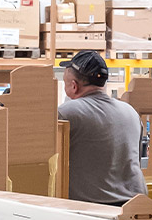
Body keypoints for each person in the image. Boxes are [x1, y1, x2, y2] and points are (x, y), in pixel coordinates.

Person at [58, 50, 147, 206]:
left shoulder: (66, 113)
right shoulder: (131, 112)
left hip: (92, 211)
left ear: (73, 86)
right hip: (136, 208)